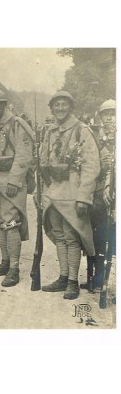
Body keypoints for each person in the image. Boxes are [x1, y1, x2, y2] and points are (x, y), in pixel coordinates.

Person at [40, 91, 101, 299]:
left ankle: (73, 281)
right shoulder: (50, 132)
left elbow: (92, 166)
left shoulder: (81, 130)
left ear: (71, 107)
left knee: (72, 237)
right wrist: (42, 192)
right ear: (51, 108)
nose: (60, 109)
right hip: (53, 192)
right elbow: (42, 162)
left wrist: (84, 197)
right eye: (56, 105)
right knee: (59, 236)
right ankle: (63, 277)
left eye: (64, 105)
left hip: (73, 192)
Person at [0, 88, 34, 287]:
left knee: (11, 224)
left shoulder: (17, 124)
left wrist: (14, 180)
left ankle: (14, 269)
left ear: (4, 104)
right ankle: (5, 262)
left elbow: (24, 155)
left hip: (10, 181)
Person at [83, 99, 116, 290]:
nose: (110, 118)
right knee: (95, 234)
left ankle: (105, 277)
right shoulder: (95, 136)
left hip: (114, 193)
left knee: (111, 236)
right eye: (106, 114)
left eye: (113, 114)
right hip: (97, 193)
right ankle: (95, 275)